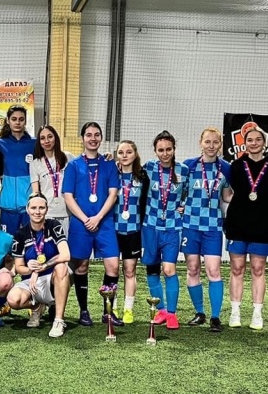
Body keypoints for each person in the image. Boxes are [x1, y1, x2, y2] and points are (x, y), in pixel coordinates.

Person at [63, 121, 123, 328]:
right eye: (89, 135)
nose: (93, 138)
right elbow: (68, 196)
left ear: (101, 138)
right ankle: (83, 311)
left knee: (113, 266)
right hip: (81, 224)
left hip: (104, 223)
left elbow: (113, 195)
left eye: (97, 135)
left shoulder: (109, 164)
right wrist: (85, 219)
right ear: (82, 138)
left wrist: (97, 218)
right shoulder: (73, 166)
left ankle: (108, 312)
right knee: (81, 266)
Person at [223, 126, 268, 330]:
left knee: (258, 268)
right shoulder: (236, 166)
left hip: (262, 225)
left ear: (264, 143)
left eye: (258, 139)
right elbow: (226, 194)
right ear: (244, 143)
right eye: (250, 140)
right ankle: (235, 312)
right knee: (237, 268)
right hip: (237, 224)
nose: (254, 143)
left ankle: (257, 314)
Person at [182, 128, 230, 333]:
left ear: (220, 144)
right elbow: (178, 191)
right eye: (207, 142)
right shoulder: (188, 166)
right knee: (193, 269)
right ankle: (200, 312)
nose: (211, 146)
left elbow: (227, 196)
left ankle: (215, 317)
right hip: (190, 226)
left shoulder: (226, 168)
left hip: (212, 227)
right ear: (200, 143)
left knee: (213, 270)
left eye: (215, 142)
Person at [7, 193, 71, 338]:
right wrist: (31, 269)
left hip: (52, 278)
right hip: (30, 282)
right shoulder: (20, 234)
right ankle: (37, 307)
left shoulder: (54, 226)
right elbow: (19, 267)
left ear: (47, 209)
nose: (37, 211)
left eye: (41, 208)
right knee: (13, 300)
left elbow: (66, 255)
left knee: (62, 267)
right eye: (34, 208)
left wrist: (43, 267)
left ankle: (58, 321)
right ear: (27, 209)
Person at [143, 131, 188, 330]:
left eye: (168, 149)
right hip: (150, 226)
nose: (165, 153)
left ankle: (171, 313)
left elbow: (190, 193)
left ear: (174, 149)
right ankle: (160, 310)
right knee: (152, 269)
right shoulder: (148, 168)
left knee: (169, 270)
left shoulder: (183, 170)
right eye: (160, 150)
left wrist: (184, 205)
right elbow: (128, 172)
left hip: (172, 227)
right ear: (155, 151)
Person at [113, 140, 148, 324]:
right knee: (112, 270)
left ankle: (128, 309)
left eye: (128, 152)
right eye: (121, 152)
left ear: (135, 154)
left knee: (129, 270)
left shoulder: (143, 177)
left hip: (134, 230)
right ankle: (112, 307)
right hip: (113, 229)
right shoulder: (112, 174)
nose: (125, 156)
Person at [0, 104, 36, 237]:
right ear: (8, 120)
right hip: (8, 207)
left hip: (29, 206)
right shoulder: (1, 144)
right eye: (14, 119)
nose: (17, 122)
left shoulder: (34, 144)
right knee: (8, 245)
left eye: (21, 119)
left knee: (30, 244)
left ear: (25, 121)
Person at [29, 124, 71, 236]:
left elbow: (86, 161)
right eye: (42, 138)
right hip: (47, 214)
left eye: (50, 136)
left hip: (66, 213)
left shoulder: (68, 158)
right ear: (39, 142)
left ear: (55, 138)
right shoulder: (35, 164)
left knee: (65, 245)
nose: (46, 141)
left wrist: (106, 156)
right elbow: (36, 192)